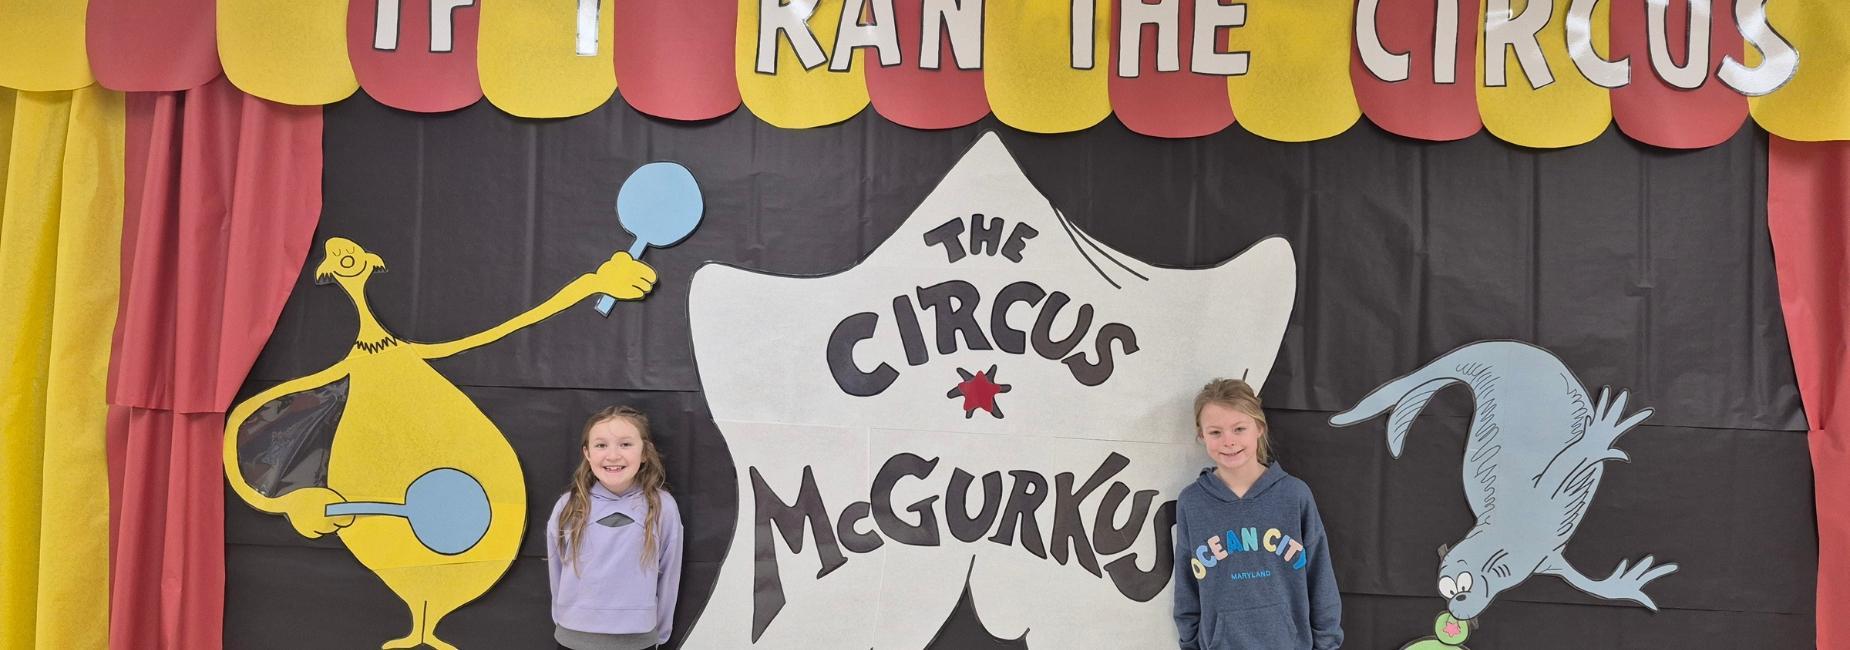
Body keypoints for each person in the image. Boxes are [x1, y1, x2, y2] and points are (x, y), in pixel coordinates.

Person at [1173, 379, 1342, 649]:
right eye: (1215, 432)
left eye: (1239, 428)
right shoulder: (1192, 503)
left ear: (1259, 429)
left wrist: (1327, 644)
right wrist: (1190, 643)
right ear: (1202, 436)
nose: (1228, 441)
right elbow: (1186, 588)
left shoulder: (1293, 495)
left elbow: (1320, 577)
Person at [548, 406, 684, 650]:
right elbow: (556, 568)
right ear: (587, 453)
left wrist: (660, 634)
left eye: (625, 444)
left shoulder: (662, 507)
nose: (613, 455)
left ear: (644, 453)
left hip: (637, 640)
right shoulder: (567, 506)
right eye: (601, 445)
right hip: (573, 638)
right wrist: (564, 617)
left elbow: (669, 574)